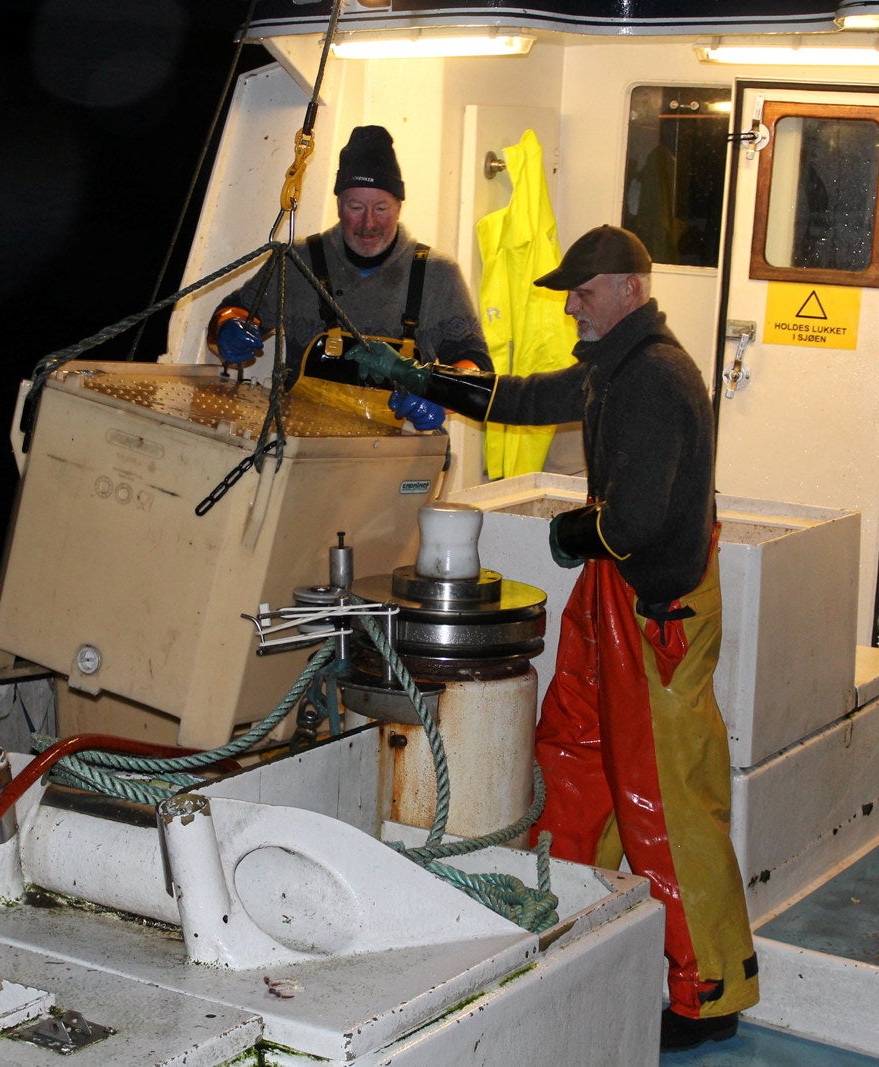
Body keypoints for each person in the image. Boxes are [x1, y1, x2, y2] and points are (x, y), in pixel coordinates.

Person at [340, 224, 758, 1054]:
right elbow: (523, 399)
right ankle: (580, 922)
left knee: (667, 799)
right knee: (577, 756)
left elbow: (633, 521)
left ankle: (709, 990)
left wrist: (573, 532)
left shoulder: (654, 378)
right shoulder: (616, 363)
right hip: (616, 594)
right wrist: (417, 376)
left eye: (583, 293)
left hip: (656, 609)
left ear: (629, 290)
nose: (571, 307)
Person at [206, 124, 490, 429]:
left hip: (403, 448)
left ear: (399, 207)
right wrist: (227, 328)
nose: (369, 223)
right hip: (303, 444)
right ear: (339, 206)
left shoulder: (438, 273)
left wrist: (442, 395)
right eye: (356, 207)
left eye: (381, 208)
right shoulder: (297, 260)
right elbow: (235, 313)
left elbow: (476, 364)